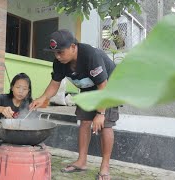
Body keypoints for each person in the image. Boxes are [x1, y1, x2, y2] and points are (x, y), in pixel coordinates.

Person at [29, 29, 119, 180]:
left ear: (73, 46)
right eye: (55, 53)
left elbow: (103, 86)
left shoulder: (91, 56)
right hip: (88, 89)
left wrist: (100, 113)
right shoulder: (59, 62)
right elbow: (54, 83)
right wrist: (42, 98)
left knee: (105, 126)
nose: (57, 56)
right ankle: (82, 161)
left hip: (108, 87)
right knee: (84, 122)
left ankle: (105, 167)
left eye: (60, 52)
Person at [0, 72, 33, 152]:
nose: (21, 91)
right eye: (18, 87)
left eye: (24, 89)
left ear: (28, 91)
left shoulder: (29, 103)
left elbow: (31, 123)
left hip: (18, 135)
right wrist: (2, 109)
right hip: (0, 132)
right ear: (12, 87)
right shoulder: (3, 98)